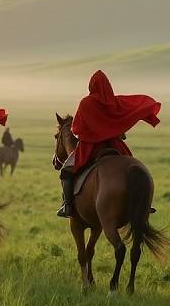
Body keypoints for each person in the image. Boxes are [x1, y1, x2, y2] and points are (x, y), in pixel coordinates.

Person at [57, 70, 161, 218]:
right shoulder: (116, 103)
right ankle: (145, 205)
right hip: (114, 146)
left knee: (66, 171)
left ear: (91, 86)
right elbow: (127, 115)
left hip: (90, 148)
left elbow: (77, 128)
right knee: (132, 167)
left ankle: (67, 205)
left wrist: (86, 132)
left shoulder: (86, 103)